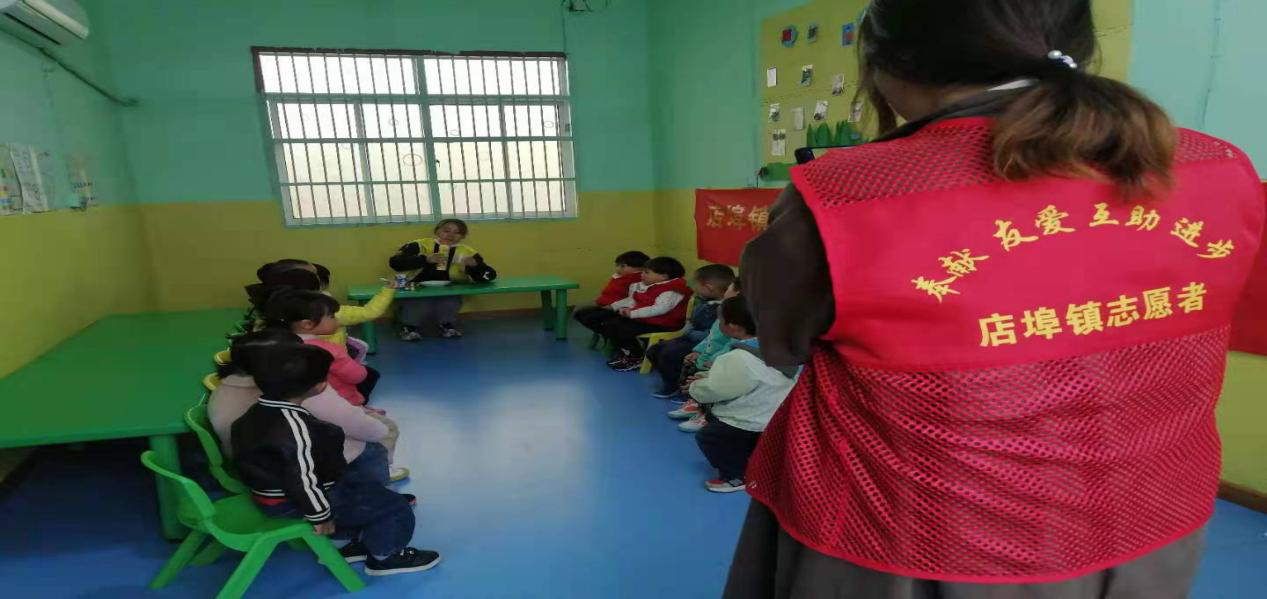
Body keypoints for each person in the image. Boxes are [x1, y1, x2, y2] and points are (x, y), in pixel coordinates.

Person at [726, 1, 1265, 598]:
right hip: (1154, 522)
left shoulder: (847, 196)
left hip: (920, 543)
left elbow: (782, 341)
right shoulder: (1214, 166)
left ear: (885, 59)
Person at [231, 344, 439, 575]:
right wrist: (321, 516)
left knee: (358, 485)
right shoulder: (296, 429)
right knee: (394, 506)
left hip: (269, 495)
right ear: (320, 386)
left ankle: (344, 546)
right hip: (293, 503)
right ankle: (386, 557)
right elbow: (302, 480)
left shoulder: (252, 415)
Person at [209, 329, 409, 482]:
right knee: (378, 438)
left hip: (252, 470)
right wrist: (377, 429)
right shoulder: (297, 388)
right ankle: (378, 484)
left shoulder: (222, 390)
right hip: (302, 472)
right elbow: (361, 427)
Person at [687, 297, 797, 493]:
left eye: (720, 320)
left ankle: (737, 475)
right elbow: (759, 377)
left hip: (748, 420)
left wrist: (695, 387)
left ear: (734, 327)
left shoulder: (737, 357)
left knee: (709, 437)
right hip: (775, 416)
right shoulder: (781, 348)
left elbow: (717, 390)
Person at [262, 290, 379, 407]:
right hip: (340, 403)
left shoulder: (276, 344)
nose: (337, 320)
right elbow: (358, 376)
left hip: (296, 403)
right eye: (332, 316)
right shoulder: (330, 350)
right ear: (307, 324)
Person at [577, 256, 693, 372]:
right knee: (609, 323)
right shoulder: (653, 286)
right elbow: (634, 300)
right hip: (648, 320)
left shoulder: (672, 290)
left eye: (647, 272)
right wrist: (615, 307)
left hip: (664, 324)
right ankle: (626, 352)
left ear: (664, 276)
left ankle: (635, 357)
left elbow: (660, 309)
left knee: (618, 327)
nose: (642, 275)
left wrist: (632, 313)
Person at [389, 219, 497, 340]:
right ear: (437, 231)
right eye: (446, 230)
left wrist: (475, 266)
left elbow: (489, 276)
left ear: (462, 236)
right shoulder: (420, 245)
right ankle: (409, 328)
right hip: (416, 288)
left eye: (457, 232)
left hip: (449, 289)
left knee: (450, 301)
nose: (451, 235)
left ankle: (447, 326)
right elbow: (395, 263)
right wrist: (425, 259)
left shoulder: (466, 252)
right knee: (419, 302)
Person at [647, 264, 735, 399]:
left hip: (702, 342)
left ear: (709, 287)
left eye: (697, 284)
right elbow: (692, 322)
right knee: (654, 350)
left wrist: (692, 337)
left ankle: (678, 387)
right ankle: (674, 381)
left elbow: (712, 335)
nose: (695, 288)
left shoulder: (725, 309)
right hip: (692, 338)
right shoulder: (704, 302)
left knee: (670, 354)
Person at [668, 280, 742, 429]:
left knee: (710, 387)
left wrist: (716, 360)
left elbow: (732, 344)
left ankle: (706, 415)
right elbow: (710, 336)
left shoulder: (739, 319)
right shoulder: (725, 310)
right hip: (706, 356)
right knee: (693, 375)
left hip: (716, 361)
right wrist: (698, 350)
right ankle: (695, 405)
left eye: (729, 287)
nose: (725, 290)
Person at [573, 250, 650, 329]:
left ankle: (604, 331)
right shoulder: (620, 276)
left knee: (588, 316)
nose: (618, 269)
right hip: (604, 303)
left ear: (640, 268)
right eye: (617, 266)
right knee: (580, 311)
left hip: (616, 307)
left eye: (623, 266)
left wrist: (612, 306)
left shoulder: (637, 279)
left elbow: (632, 299)